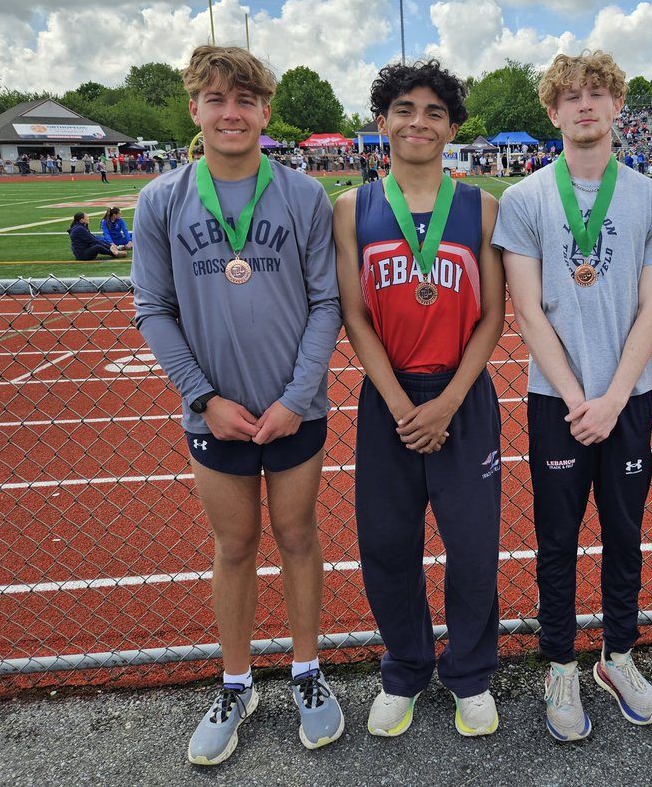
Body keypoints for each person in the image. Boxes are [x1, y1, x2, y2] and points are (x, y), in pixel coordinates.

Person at [130, 45, 344, 765]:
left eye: (246, 100)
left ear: (265, 113)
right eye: (217, 99)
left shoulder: (303, 195)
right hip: (213, 414)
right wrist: (203, 396)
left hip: (295, 412)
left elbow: (325, 303)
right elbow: (153, 309)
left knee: (298, 537)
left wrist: (295, 397)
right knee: (234, 547)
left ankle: (308, 674)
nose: (231, 112)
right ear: (195, 109)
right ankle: (236, 682)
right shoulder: (162, 200)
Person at [492, 51, 652, 741]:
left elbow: (651, 312)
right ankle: (562, 664)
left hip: (629, 399)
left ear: (618, 105)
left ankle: (618, 657)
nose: (584, 105)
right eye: (570, 96)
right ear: (552, 112)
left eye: (597, 93)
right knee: (557, 541)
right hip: (556, 402)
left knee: (625, 536)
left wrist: (613, 397)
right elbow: (528, 312)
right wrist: (579, 399)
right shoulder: (525, 198)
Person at [333, 60, 505, 739]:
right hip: (389, 398)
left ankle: (470, 673)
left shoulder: (481, 206)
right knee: (387, 544)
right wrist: (403, 404)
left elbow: (492, 315)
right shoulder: (352, 208)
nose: (419, 122)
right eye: (404, 110)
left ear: (453, 127)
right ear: (382, 123)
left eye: (434, 112)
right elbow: (355, 314)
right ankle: (404, 668)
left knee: (472, 548)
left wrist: (446, 403)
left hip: (462, 396)